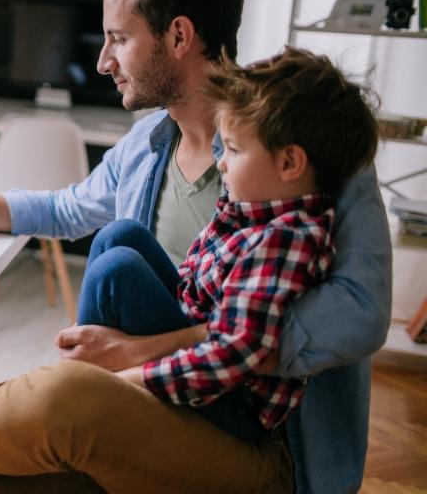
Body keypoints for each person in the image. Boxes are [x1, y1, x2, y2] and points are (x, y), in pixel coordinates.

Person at [0, 0, 389, 494]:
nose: (101, 61)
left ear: (178, 36)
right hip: (167, 398)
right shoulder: (149, 142)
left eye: (118, 39)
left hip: (265, 438)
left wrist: (145, 352)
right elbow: (66, 207)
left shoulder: (305, 145)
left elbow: (361, 315)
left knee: (63, 398)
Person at [78, 47, 378, 445]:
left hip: (234, 399)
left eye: (234, 150)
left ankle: (80, 392)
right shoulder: (245, 209)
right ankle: (81, 380)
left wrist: (127, 377)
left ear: (290, 164)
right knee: (120, 236)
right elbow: (192, 280)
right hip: (206, 351)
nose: (221, 162)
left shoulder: (286, 237)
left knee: (116, 268)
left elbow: (231, 354)